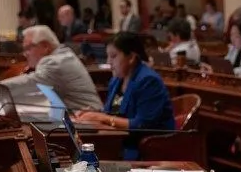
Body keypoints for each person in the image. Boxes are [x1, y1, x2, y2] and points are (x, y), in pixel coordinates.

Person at [75, 32, 175, 160]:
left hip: (145, 148)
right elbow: (112, 112)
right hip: (120, 141)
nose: (108, 62)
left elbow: (141, 125)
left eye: (113, 56)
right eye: (107, 56)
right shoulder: (117, 80)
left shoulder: (148, 81)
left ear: (131, 57)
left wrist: (101, 117)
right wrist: (93, 114)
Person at [0, 25, 102, 111]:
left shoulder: (54, 62)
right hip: (83, 114)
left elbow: (31, 82)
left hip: (91, 119)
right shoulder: (62, 55)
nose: (25, 54)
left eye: (28, 48)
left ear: (45, 46)